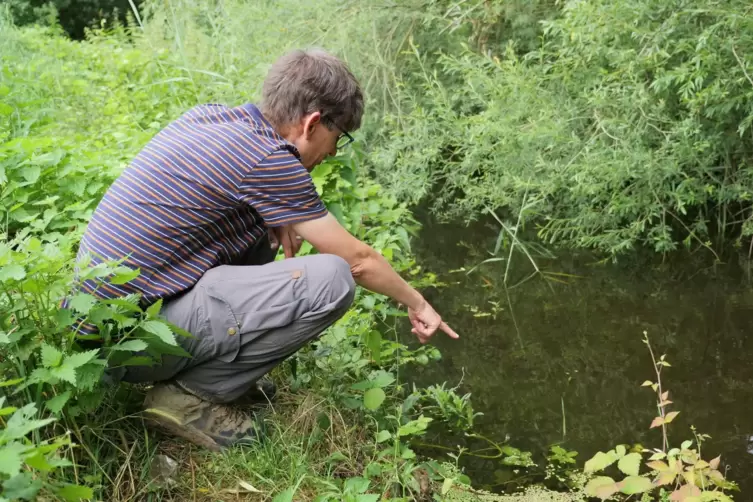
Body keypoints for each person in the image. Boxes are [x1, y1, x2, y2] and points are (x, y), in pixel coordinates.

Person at [72, 48, 459, 451]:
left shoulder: (214, 118)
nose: (331, 153)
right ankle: (186, 398)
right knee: (332, 279)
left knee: (260, 231)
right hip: (125, 348)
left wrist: (277, 217)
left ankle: (216, 372)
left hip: (101, 332)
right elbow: (359, 260)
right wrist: (418, 302)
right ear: (312, 123)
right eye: (337, 137)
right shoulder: (270, 160)